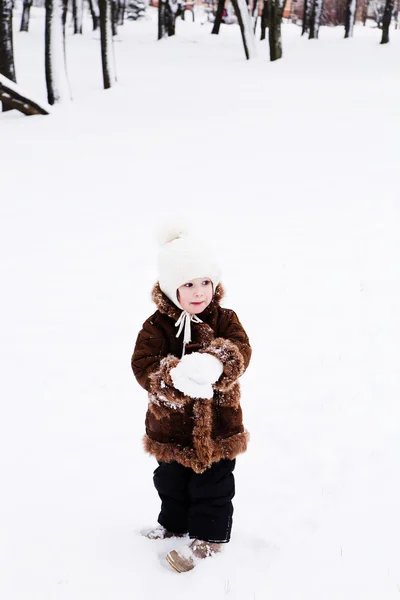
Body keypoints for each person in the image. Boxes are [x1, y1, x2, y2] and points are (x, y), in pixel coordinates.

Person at [131, 227, 251, 573]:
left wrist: (217, 361)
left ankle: (209, 537)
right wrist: (173, 376)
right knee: (170, 481)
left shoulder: (225, 320)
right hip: (170, 425)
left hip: (219, 426)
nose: (198, 293)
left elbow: (241, 351)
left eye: (204, 283)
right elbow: (142, 365)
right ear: (171, 288)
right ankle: (173, 525)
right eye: (187, 285)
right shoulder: (156, 327)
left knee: (213, 484)